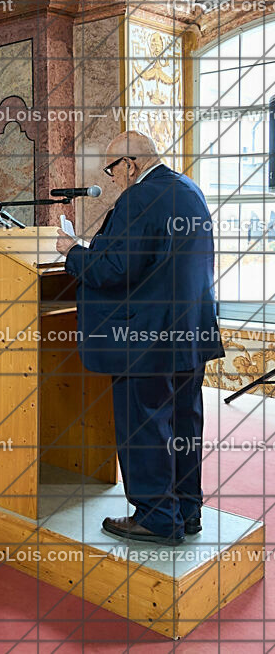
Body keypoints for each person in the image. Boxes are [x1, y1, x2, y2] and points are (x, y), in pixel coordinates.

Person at [55, 131, 224, 546]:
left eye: (113, 169)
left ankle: (155, 518)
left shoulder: (138, 198)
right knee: (184, 425)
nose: (112, 178)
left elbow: (113, 270)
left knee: (145, 429)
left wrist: (72, 251)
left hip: (143, 342)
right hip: (188, 337)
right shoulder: (190, 191)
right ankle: (187, 511)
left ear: (130, 164)